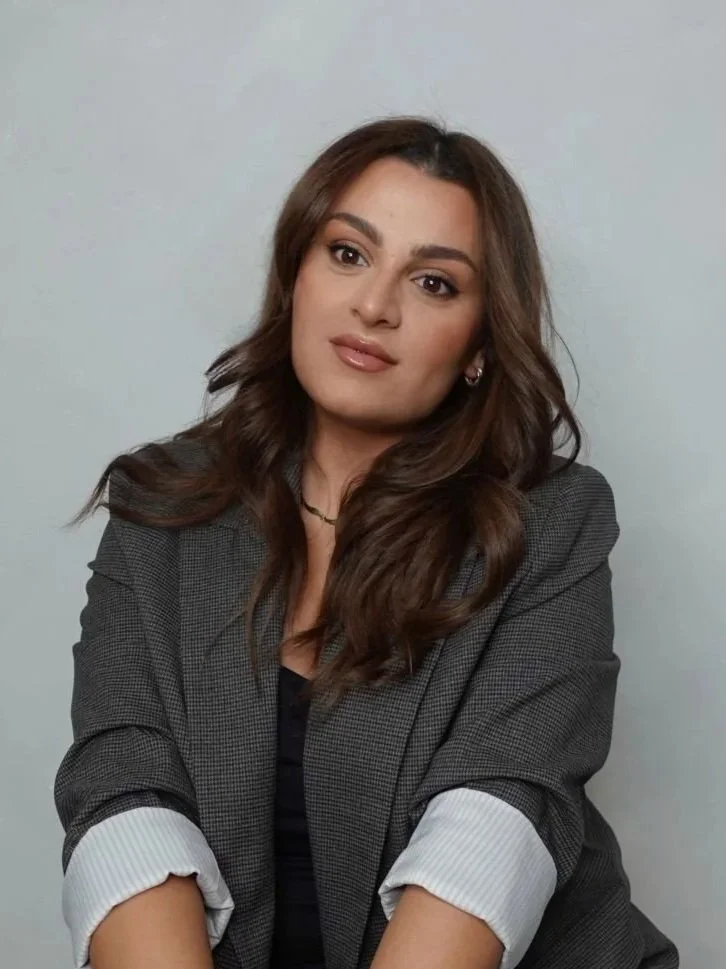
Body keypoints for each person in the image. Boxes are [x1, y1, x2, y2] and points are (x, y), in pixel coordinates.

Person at [54, 116, 678, 969]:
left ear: (479, 348)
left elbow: (494, 826)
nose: (374, 306)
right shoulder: (162, 506)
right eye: (348, 254)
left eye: (433, 283)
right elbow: (126, 797)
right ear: (297, 275)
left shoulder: (551, 525)